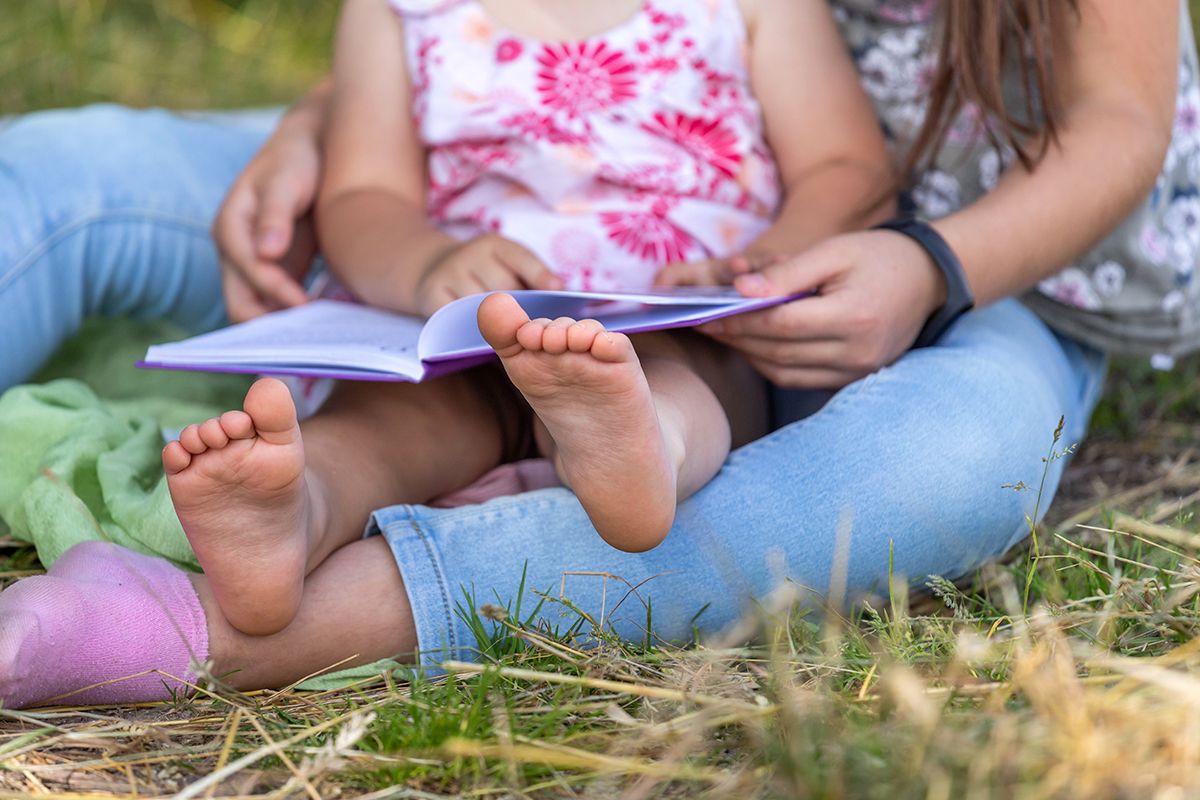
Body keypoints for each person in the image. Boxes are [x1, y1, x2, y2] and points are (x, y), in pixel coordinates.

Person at [0, 0, 1187, 708]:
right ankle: (303, 504)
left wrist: (922, 259)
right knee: (64, 180)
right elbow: (400, 146)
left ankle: (259, 619)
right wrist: (344, 144)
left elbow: (1111, 123)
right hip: (498, 251)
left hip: (940, 261)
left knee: (908, 459)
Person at [159, 0, 895, 641]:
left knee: (677, 380)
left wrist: (762, 264)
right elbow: (360, 193)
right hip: (463, 329)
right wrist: (424, 264)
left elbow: (844, 167)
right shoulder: (400, 10)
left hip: (673, 310)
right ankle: (298, 512)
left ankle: (646, 453)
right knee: (384, 423)